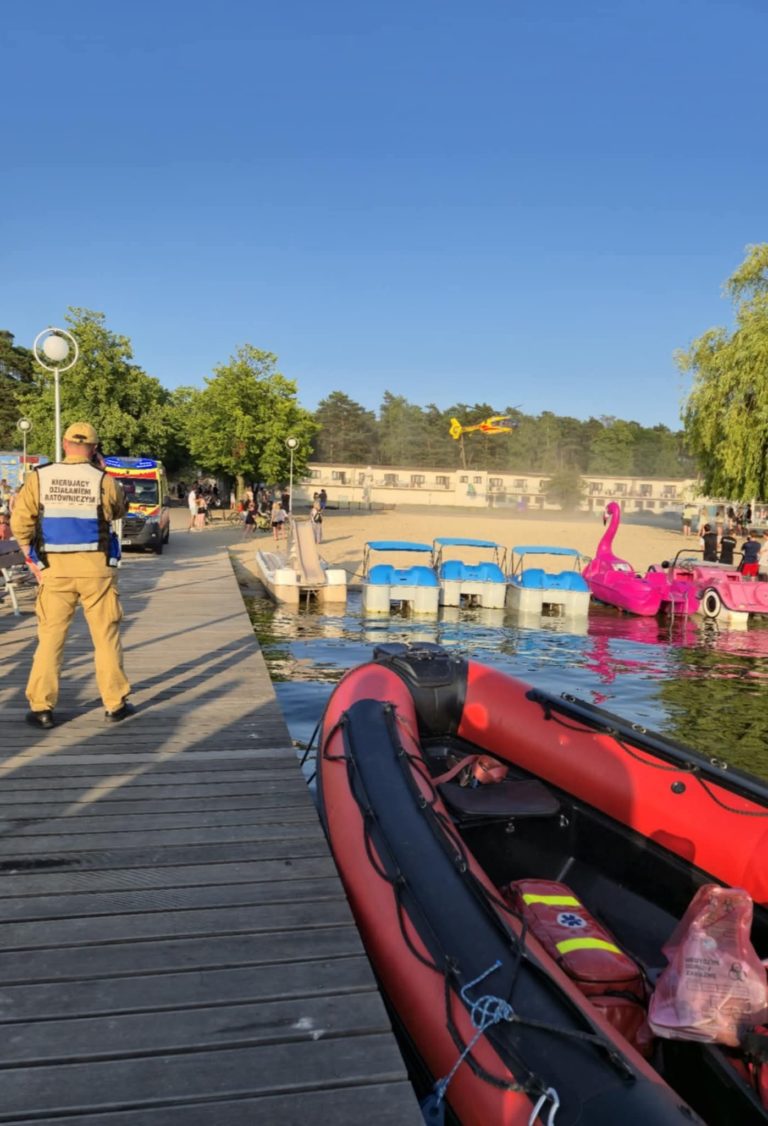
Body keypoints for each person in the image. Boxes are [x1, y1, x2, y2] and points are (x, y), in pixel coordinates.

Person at [10, 421, 132, 729]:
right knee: (105, 638)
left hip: (54, 571)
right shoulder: (103, 480)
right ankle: (115, 703)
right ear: (94, 449)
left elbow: (20, 522)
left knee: (50, 639)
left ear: (65, 445)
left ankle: (42, 707)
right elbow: (119, 510)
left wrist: (31, 560)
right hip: (97, 572)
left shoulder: (40, 477)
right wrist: (103, 471)